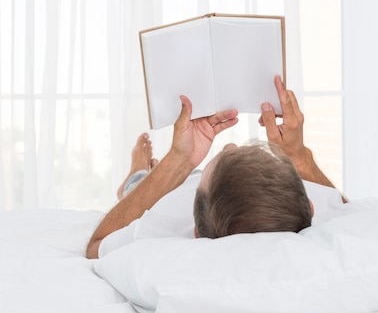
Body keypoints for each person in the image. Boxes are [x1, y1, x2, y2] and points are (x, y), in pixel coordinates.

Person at [85, 76, 346, 259]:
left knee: (139, 187)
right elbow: (351, 212)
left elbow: (97, 244)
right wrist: (298, 154)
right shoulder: (324, 221)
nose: (228, 146)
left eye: (220, 156)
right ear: (311, 206)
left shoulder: (169, 215)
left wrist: (179, 159)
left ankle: (138, 173)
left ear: (197, 234)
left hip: (178, 188)